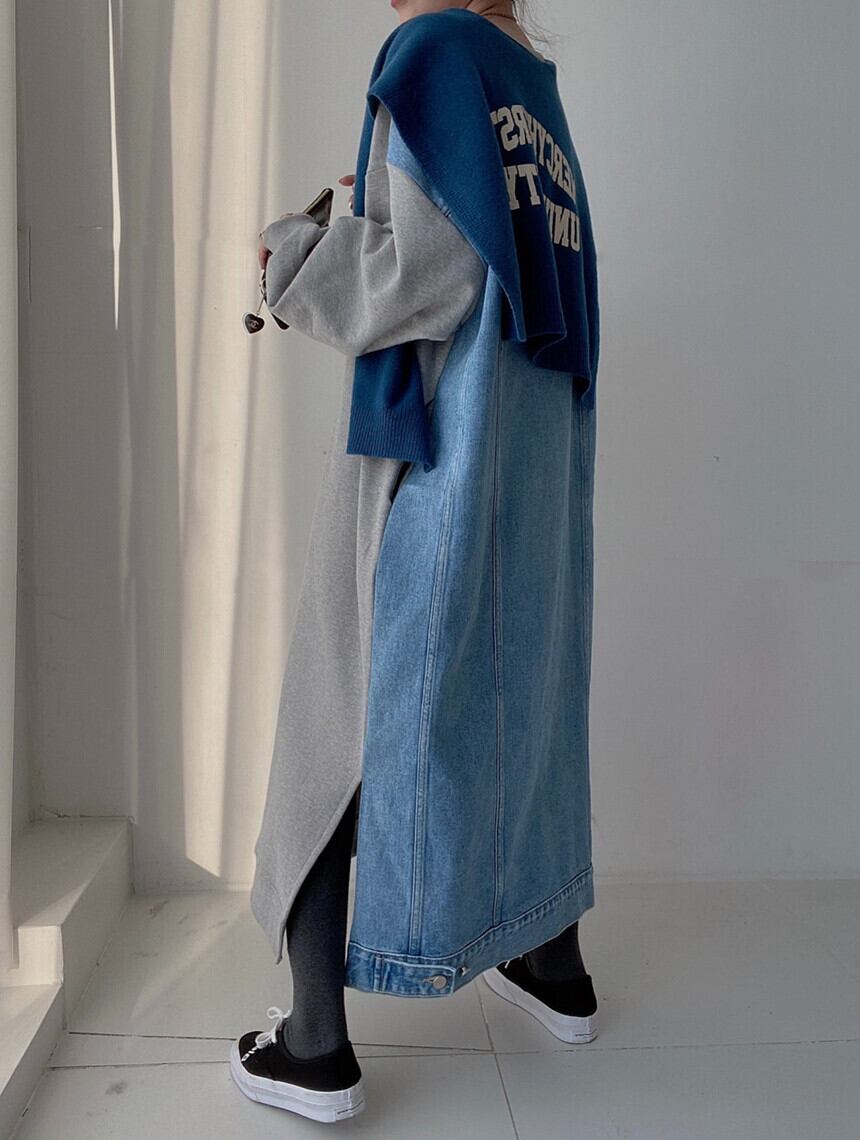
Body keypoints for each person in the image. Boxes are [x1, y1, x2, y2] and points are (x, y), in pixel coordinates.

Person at [230, 0, 600, 1124]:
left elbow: (421, 278)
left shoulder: (432, 50)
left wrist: (293, 258)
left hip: (431, 456)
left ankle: (314, 1044)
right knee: (522, 710)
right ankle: (550, 965)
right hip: (527, 461)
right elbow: (514, 270)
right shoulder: (527, 80)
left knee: (335, 722)